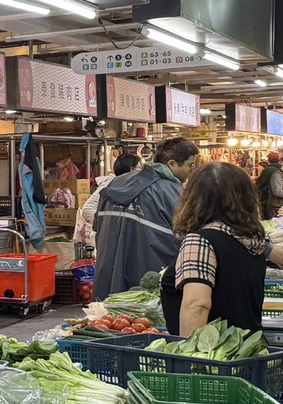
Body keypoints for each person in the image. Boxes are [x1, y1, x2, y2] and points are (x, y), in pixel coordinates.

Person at [162, 161, 283, 335]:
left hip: (214, 356)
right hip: (245, 350)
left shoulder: (200, 241)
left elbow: (197, 305)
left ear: (195, 199)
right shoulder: (251, 241)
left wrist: (189, 358)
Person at [92, 136, 202, 297]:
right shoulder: (174, 193)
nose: (192, 170)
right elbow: (190, 240)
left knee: (108, 320)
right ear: (171, 163)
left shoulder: (115, 183)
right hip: (147, 287)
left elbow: (98, 227)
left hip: (107, 277)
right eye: (190, 165)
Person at [75, 152, 140, 249]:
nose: (140, 172)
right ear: (131, 169)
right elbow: (87, 210)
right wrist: (109, 225)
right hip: (109, 240)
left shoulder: (125, 185)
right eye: (139, 168)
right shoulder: (110, 184)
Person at [257, 152, 283, 221]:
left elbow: (259, 184)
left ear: (268, 160)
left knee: (270, 222)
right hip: (278, 202)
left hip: (270, 201)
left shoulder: (268, 170)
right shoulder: (279, 170)